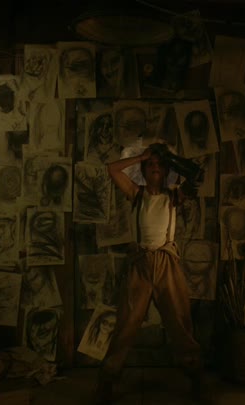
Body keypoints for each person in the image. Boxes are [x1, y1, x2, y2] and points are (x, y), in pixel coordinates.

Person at [96, 144, 206, 403]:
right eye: (150, 165)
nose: (155, 168)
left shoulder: (174, 195)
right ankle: (108, 378)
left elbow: (197, 176)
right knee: (126, 324)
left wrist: (169, 158)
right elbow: (112, 169)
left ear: (166, 170)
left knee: (180, 322)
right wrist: (141, 157)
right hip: (140, 264)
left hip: (167, 263)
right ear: (144, 170)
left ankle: (195, 376)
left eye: (159, 165)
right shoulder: (136, 193)